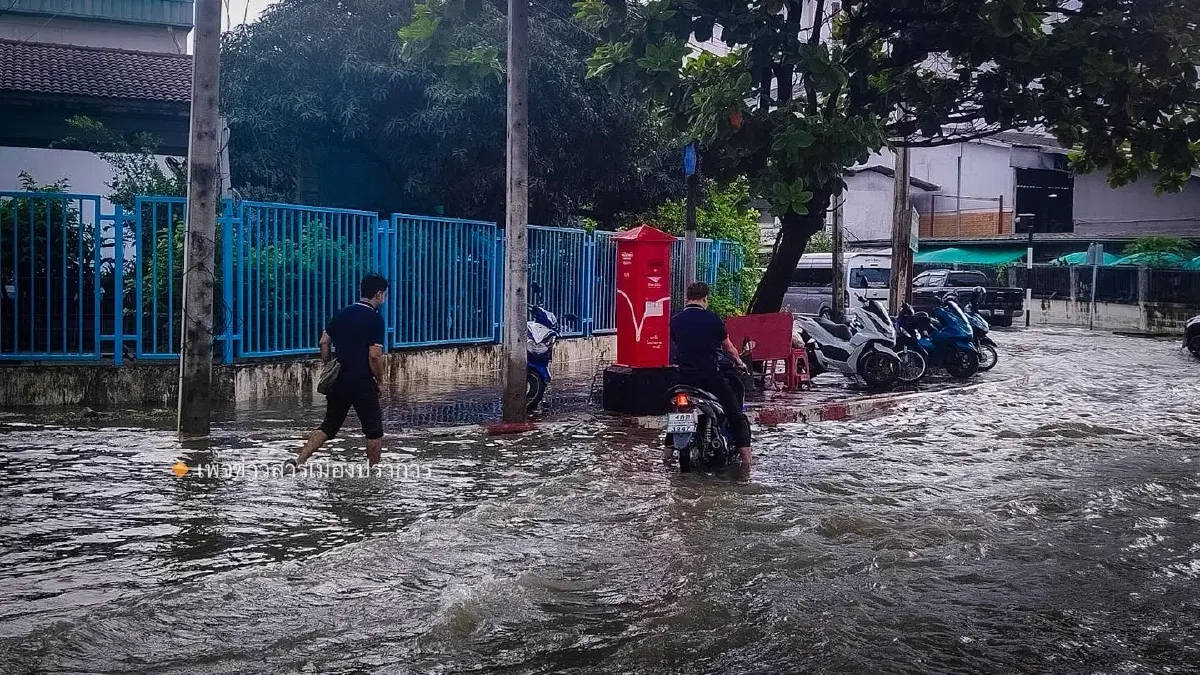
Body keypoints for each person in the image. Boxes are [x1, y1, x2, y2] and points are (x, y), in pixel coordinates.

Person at [292, 273, 389, 468]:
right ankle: (373, 473)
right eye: (384, 294)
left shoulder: (341, 313)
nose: (385, 298)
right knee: (374, 430)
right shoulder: (375, 319)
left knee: (329, 426)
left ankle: (298, 461)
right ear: (378, 294)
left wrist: (329, 365)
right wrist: (380, 381)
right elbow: (374, 357)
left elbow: (324, 342)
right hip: (362, 381)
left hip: (339, 379)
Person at [669, 281, 753, 465]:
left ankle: (666, 457)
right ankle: (747, 463)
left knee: (675, 415)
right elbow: (729, 349)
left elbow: (678, 344)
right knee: (735, 415)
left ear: (688, 298)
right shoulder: (713, 319)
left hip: (683, 379)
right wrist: (739, 362)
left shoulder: (675, 320)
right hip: (709, 377)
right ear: (705, 298)